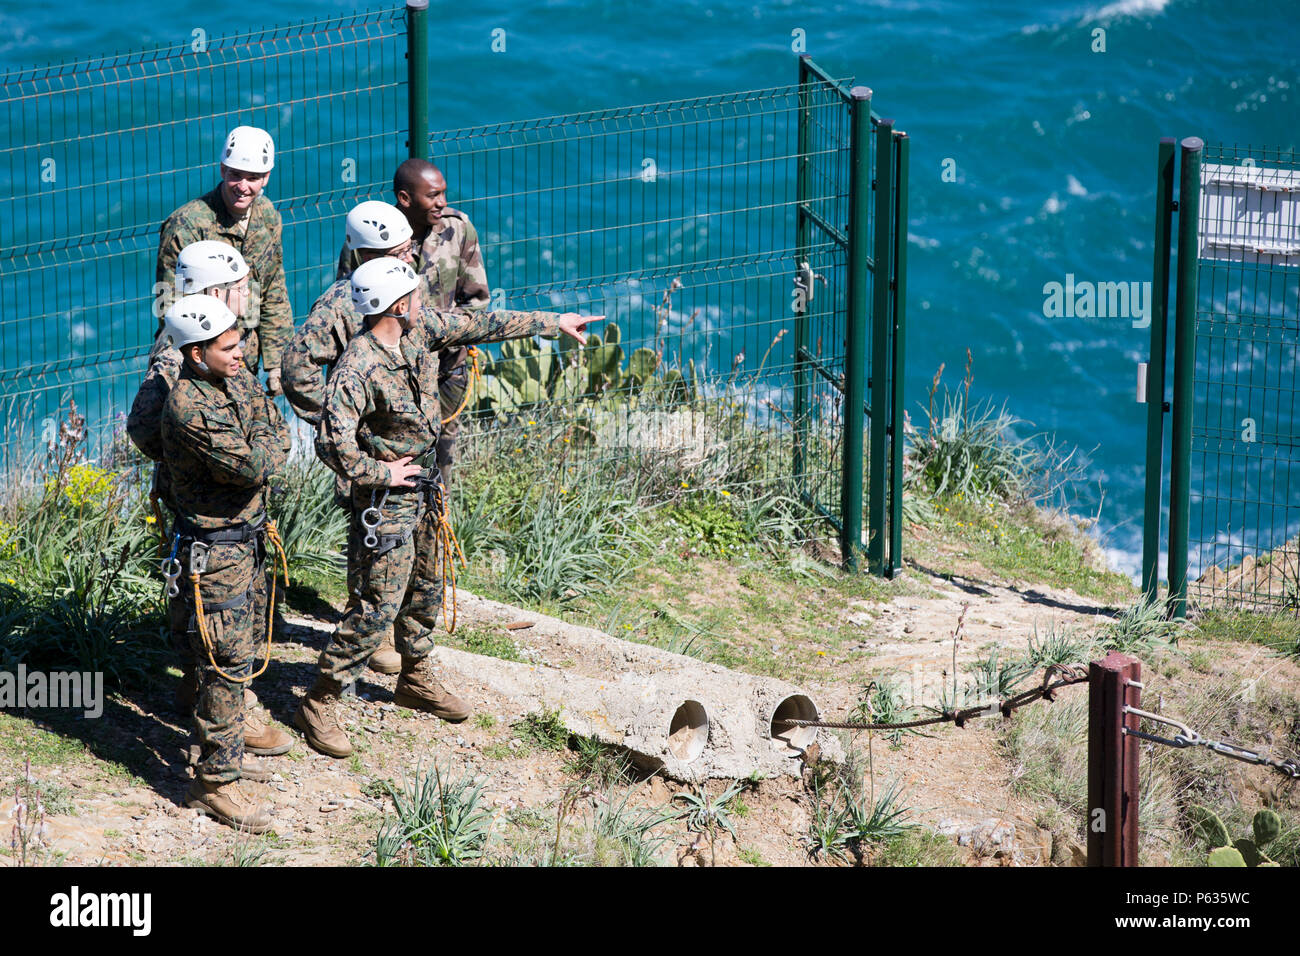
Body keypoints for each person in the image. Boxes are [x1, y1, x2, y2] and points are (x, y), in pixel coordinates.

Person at [296, 257, 599, 758]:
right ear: (396, 304)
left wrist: (555, 323)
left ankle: (415, 678)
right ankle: (322, 699)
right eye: (414, 294)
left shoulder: (422, 330)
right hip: (387, 501)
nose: (423, 300)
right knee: (377, 607)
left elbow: (483, 323)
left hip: (426, 489)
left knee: (427, 589)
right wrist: (381, 472)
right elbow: (331, 444)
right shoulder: (357, 366)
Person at [127, 242, 293, 772]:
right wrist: (194, 459)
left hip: (228, 499)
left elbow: (264, 416)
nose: (248, 294)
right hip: (205, 506)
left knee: (224, 620)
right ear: (214, 290)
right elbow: (144, 428)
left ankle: (211, 700)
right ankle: (221, 718)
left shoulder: (222, 345)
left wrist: (252, 440)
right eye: (239, 284)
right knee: (215, 627)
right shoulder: (178, 352)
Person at [161, 294, 292, 831]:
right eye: (229, 347)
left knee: (235, 654)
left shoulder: (231, 377)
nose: (241, 354)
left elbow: (273, 435)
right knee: (225, 662)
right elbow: (259, 461)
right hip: (215, 553)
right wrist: (265, 436)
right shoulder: (188, 405)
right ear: (196, 355)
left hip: (246, 539)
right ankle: (215, 784)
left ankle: (225, 749)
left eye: (239, 343)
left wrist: (265, 433)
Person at [282, 200, 419, 675]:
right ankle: (365, 630)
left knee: (383, 539)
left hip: (389, 441)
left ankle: (377, 629)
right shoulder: (341, 302)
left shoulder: (392, 284)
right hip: (363, 447)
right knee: (369, 535)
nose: (412, 258)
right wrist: (341, 422)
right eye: (404, 251)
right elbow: (297, 368)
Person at [336, 159, 489, 487]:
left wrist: (439, 336)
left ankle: (437, 534)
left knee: (438, 474)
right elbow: (351, 309)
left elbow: (475, 303)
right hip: (389, 383)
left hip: (445, 374)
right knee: (393, 475)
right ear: (405, 199)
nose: (442, 202)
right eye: (433, 195)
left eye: (443, 194)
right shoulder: (368, 239)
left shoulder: (457, 228)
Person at [156, 126, 290, 395]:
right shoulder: (187, 227)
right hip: (200, 365)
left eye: (253, 178)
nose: (243, 187)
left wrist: (276, 364)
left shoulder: (268, 217)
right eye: (235, 175)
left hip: (245, 363)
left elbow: (273, 291)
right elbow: (169, 305)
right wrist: (203, 365)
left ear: (266, 178)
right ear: (221, 170)